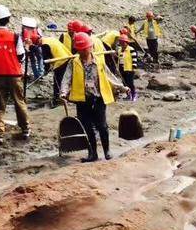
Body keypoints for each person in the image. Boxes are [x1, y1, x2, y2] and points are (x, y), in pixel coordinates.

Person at [60, 32, 128, 162]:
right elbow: (66, 79)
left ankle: (107, 150)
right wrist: (63, 92)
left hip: (98, 99)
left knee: (102, 126)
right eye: (82, 49)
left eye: (86, 48)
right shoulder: (73, 63)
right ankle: (93, 154)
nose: (85, 51)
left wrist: (122, 87)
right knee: (87, 127)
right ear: (78, 49)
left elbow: (109, 76)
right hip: (82, 100)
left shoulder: (99, 61)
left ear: (90, 47)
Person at [0, 5, 31, 145]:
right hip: (14, 74)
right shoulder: (15, 36)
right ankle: (25, 129)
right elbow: (21, 55)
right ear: (8, 19)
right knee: (19, 101)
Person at [40, 36, 72, 106]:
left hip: (60, 60)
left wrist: (46, 70)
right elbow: (52, 52)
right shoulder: (49, 39)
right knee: (64, 78)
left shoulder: (44, 45)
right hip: (66, 56)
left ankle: (58, 98)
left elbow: (46, 60)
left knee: (58, 79)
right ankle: (63, 96)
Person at [117, 34, 138, 101]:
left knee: (130, 83)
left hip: (129, 69)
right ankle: (128, 95)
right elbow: (119, 59)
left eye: (123, 42)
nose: (122, 44)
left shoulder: (131, 49)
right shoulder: (119, 50)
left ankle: (134, 94)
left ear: (126, 42)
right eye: (121, 42)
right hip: (122, 69)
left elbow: (134, 58)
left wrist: (134, 67)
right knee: (124, 83)